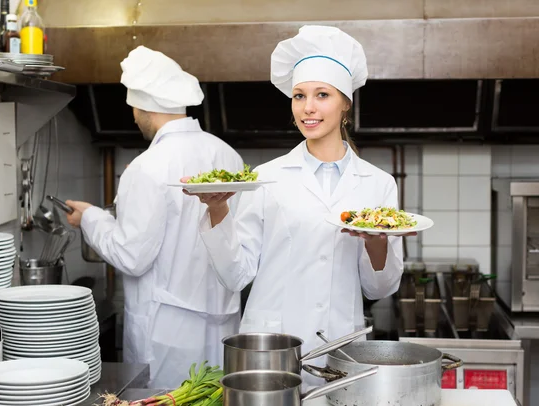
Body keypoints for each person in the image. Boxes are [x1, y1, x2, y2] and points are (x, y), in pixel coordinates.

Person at [184, 25, 415, 386]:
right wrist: (217, 210)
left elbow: (379, 289)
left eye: (322, 95)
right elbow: (236, 275)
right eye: (298, 96)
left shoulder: (378, 185)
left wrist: (376, 241)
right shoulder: (266, 177)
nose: (308, 108)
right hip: (272, 350)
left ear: (345, 104)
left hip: (339, 348)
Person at [65, 46, 244, 389]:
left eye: (134, 107)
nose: (133, 116)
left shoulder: (148, 165)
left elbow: (132, 257)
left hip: (166, 334)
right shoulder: (227, 154)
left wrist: (90, 219)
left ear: (144, 106)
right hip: (223, 326)